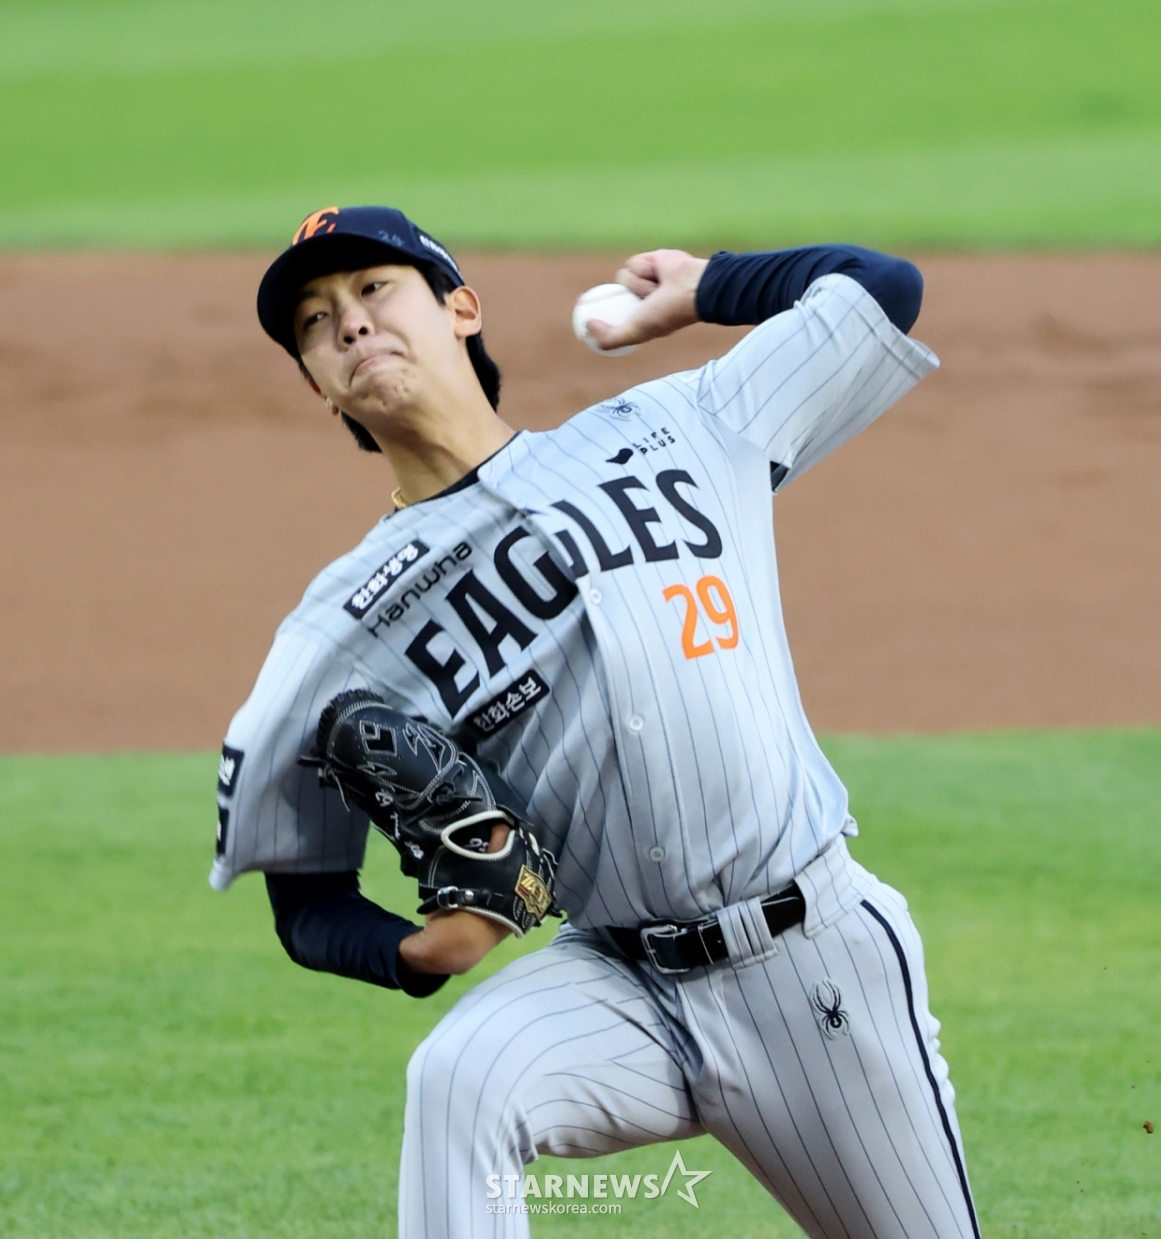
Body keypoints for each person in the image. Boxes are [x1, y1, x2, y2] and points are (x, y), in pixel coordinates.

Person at [213, 203, 980, 1239]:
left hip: (815, 962)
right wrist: (415, 954)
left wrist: (707, 288)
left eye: (374, 289)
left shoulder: (681, 426)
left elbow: (880, 291)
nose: (347, 322)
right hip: (618, 986)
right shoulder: (341, 627)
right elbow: (304, 894)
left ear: (462, 309)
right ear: (318, 384)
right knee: (460, 1076)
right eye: (314, 321)